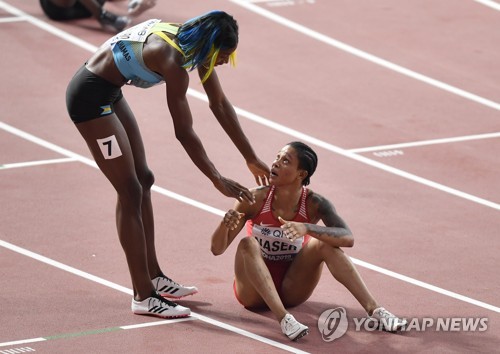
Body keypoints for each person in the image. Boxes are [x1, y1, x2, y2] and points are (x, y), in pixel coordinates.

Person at [66, 11, 270, 318]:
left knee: (144, 179)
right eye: (224, 55)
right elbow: (184, 132)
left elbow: (219, 104)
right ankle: (142, 296)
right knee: (130, 191)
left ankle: (154, 275)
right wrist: (216, 178)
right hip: (89, 97)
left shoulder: (195, 45)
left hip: (110, 92)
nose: (226, 62)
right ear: (211, 46)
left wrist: (250, 156)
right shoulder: (171, 59)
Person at [210, 141, 407, 341]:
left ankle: (376, 311)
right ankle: (285, 319)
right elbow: (216, 249)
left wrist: (307, 228)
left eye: (285, 161)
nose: (275, 163)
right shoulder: (254, 198)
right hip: (252, 293)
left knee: (324, 244)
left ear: (301, 174)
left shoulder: (314, 203)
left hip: (292, 288)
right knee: (247, 244)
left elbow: (348, 238)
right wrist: (224, 225)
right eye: (277, 157)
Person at [39, 0, 156, 32]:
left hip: (85, 8)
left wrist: (137, 7)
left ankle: (134, 4)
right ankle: (103, 16)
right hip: (57, 7)